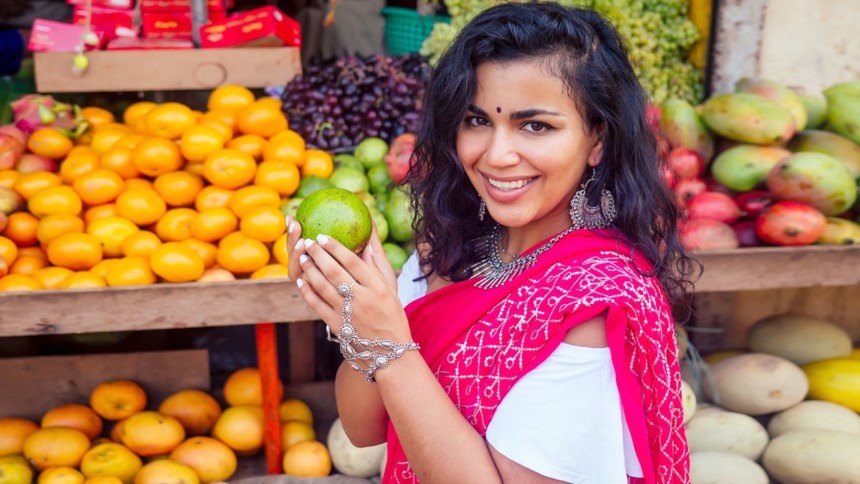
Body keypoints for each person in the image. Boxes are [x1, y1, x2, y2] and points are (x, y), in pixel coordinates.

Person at [285, 2, 698, 482]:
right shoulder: (447, 252)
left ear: (596, 140)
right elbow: (363, 427)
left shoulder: (593, 302)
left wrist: (389, 343)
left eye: (535, 125)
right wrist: (353, 315)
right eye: (477, 120)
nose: (497, 155)